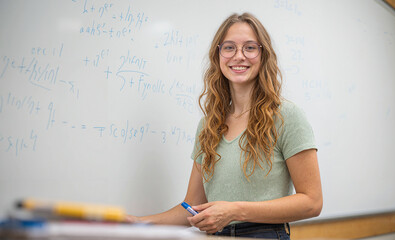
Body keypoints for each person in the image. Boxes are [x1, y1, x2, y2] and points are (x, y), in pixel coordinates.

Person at [127, 12, 322, 239]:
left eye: (250, 48)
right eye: (229, 48)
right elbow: (191, 207)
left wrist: (234, 211)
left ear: (263, 55)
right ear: (218, 55)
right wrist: (137, 223)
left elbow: (312, 201)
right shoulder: (208, 126)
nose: (239, 56)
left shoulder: (287, 117)